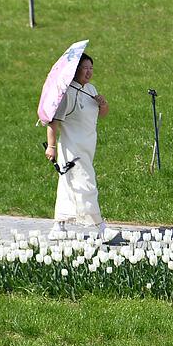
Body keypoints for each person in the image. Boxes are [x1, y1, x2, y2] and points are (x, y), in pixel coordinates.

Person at [45, 53, 114, 239]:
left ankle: (58, 226)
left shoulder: (91, 89)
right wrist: (51, 147)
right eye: (85, 68)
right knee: (87, 184)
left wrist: (103, 104)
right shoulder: (67, 94)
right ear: (75, 70)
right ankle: (100, 227)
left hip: (88, 146)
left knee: (70, 186)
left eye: (91, 68)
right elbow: (53, 122)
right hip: (72, 149)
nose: (89, 72)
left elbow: (103, 114)